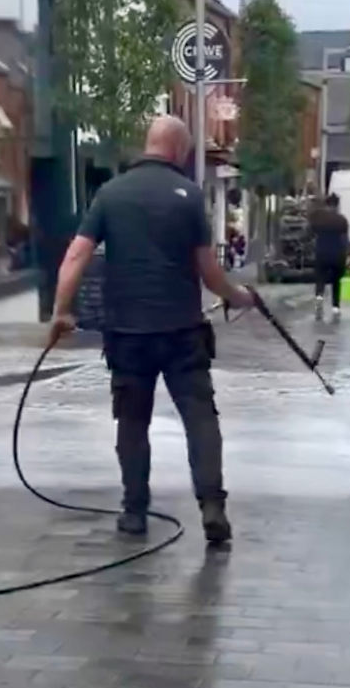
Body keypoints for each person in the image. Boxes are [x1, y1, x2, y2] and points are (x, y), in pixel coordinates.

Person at [47, 116, 254, 544]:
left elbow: (75, 257)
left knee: (132, 422)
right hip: (182, 332)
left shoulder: (110, 193)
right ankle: (212, 506)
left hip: (127, 335)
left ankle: (135, 513)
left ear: (148, 144)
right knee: (200, 419)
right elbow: (209, 273)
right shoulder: (190, 198)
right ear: (179, 150)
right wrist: (238, 296)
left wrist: (60, 312)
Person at [308, 192, 350, 322]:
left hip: (322, 253)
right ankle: (335, 307)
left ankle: (319, 298)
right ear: (337, 205)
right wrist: (349, 253)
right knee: (336, 281)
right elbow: (345, 239)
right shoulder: (342, 220)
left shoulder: (319, 219)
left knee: (320, 278)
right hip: (338, 254)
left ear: (327, 204)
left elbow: (309, 234)